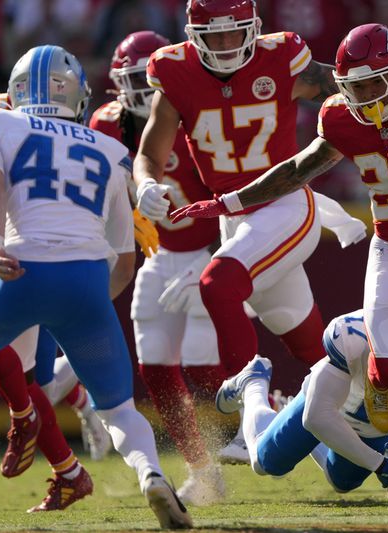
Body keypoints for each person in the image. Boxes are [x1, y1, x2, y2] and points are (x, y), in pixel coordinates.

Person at [169, 23, 388, 471]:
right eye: (357, 87)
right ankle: (295, 390)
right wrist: (229, 202)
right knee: (387, 365)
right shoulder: (341, 116)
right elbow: (298, 168)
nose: (370, 96)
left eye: (376, 81)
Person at [0, 45, 191, 528]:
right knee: (118, 410)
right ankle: (152, 475)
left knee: (17, 369)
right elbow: (125, 258)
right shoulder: (111, 150)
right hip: (87, 280)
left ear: (15, 90)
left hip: (17, 268)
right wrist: (86, 305)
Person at [134, 0, 340, 406]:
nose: (227, 43)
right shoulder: (176, 73)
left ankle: (252, 406)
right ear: (193, 36)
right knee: (302, 338)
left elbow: (355, 89)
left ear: (254, 27)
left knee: (217, 285)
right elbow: (149, 156)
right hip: (235, 216)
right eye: (215, 34)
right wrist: (144, 186)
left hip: (285, 203)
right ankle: (358, 411)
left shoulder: (282, 58)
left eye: (235, 31)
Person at [91, 29, 226, 506]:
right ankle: (203, 469)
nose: (146, 93)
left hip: (210, 250)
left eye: (152, 80)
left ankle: (274, 418)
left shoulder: (197, 119)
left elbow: (230, 193)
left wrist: (218, 257)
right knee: (155, 368)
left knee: (211, 373)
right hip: (157, 255)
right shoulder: (104, 126)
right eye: (135, 81)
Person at [0, 38, 101, 511]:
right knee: (21, 377)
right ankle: (68, 470)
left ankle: (30, 418)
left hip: (11, 250)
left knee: (23, 375)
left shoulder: (7, 113)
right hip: (1, 253)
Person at [214, 310, 388, 506]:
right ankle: (254, 382)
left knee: (342, 482)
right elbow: (317, 417)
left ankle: (284, 409)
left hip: (373, 427)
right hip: (329, 408)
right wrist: (378, 463)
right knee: (266, 463)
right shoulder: (353, 335)